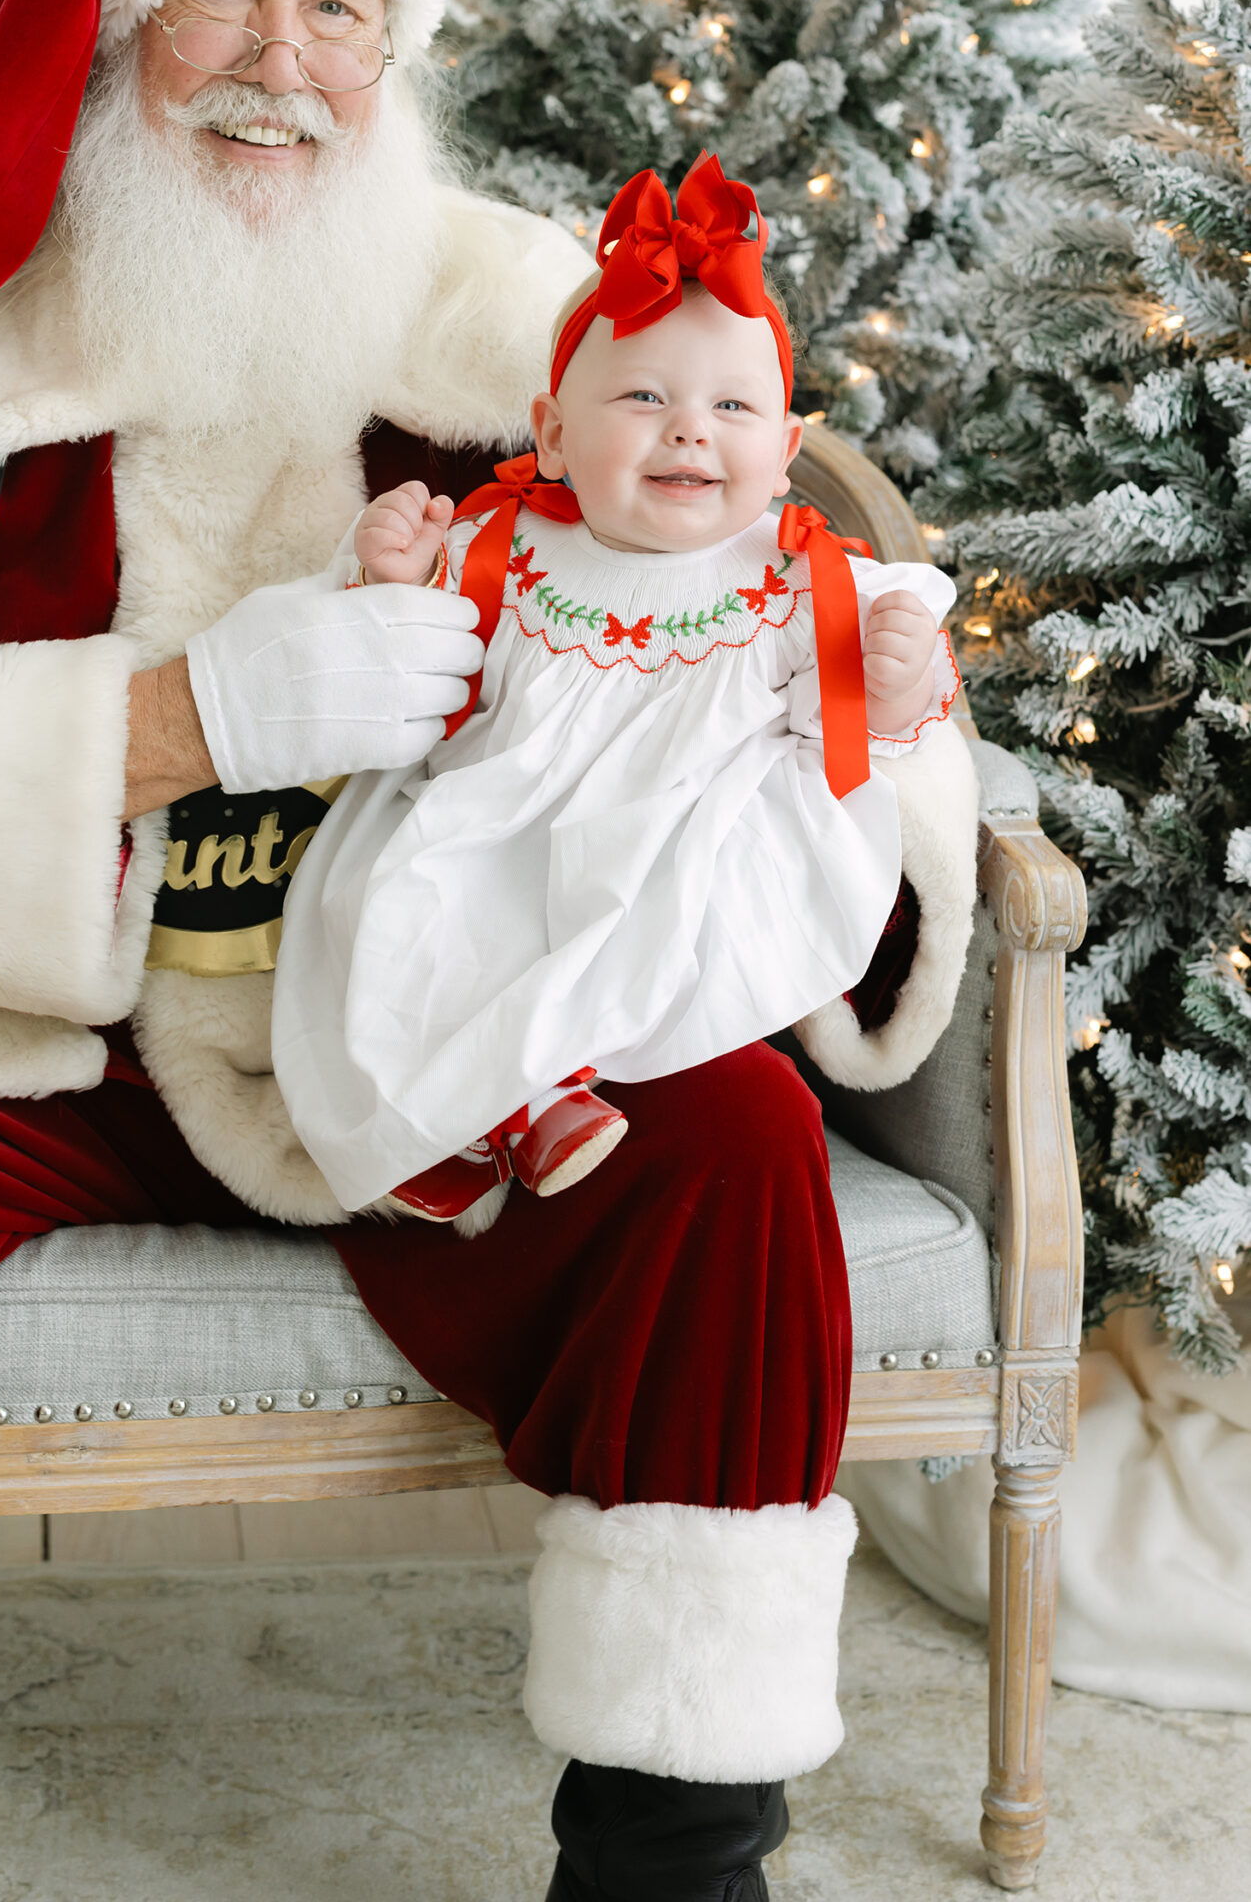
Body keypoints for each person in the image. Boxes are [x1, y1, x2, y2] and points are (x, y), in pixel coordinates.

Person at [0, 0, 981, 1902]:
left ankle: (668, 1893)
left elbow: (735, 583)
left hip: (421, 1001)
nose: (281, 65)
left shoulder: (535, 347)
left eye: (338, 11)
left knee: (717, 1145)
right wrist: (186, 715)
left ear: (395, 59)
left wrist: (859, 685)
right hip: (14, 1021)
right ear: (116, 25)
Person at [271, 157, 960, 1223]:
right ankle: (475, 1117)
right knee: (412, 904)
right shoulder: (506, 546)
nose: (689, 427)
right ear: (552, 433)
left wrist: (899, 678)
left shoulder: (796, 576)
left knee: (644, 916)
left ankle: (533, 1093)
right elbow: (396, 669)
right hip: (504, 820)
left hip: (685, 843)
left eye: (732, 406)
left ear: (782, 453)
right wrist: (394, 578)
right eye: (643, 395)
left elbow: (868, 732)